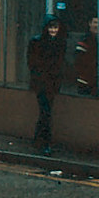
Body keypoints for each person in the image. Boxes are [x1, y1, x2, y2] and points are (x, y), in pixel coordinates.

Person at [27, 14, 67, 156]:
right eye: (51, 27)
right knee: (46, 112)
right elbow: (32, 63)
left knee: (45, 112)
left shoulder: (59, 43)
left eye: (55, 27)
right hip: (42, 83)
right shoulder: (37, 42)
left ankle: (39, 140)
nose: (53, 30)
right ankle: (44, 142)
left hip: (51, 83)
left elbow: (60, 64)